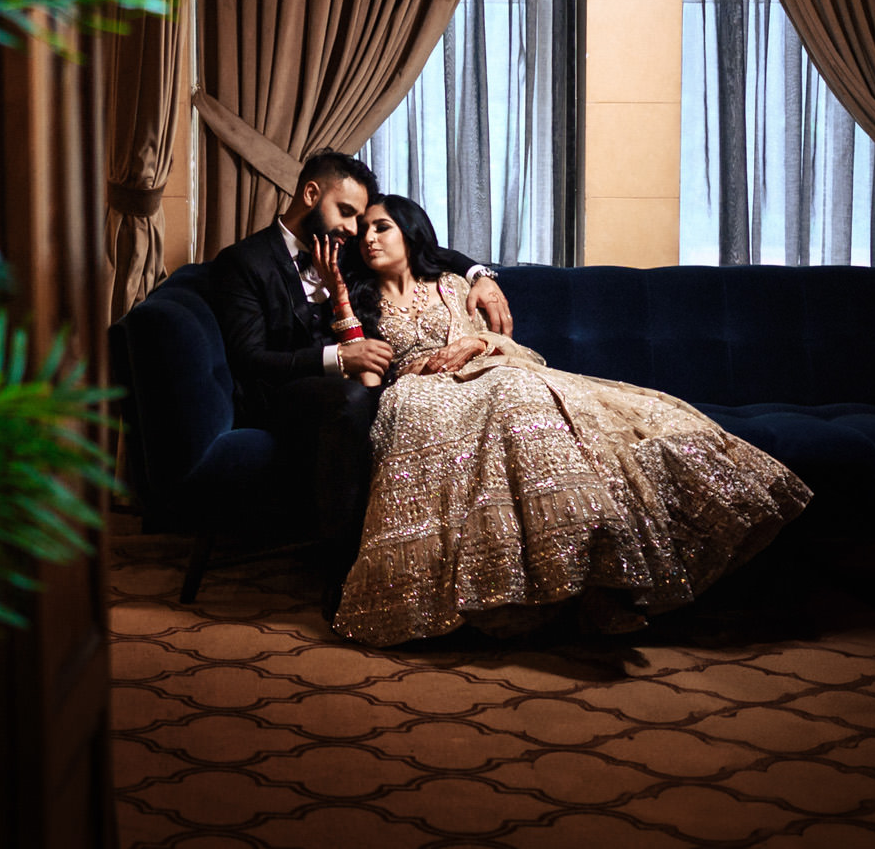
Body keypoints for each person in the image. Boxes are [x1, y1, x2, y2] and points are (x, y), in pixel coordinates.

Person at [327, 195, 811, 647]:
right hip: (418, 395)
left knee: (528, 392)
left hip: (487, 373)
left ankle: (591, 558)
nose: (369, 237)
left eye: (382, 227)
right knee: (491, 400)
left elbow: (507, 344)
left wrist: (474, 344)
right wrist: (347, 306)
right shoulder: (360, 300)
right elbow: (367, 373)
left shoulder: (455, 286)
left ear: (411, 234)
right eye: (364, 230)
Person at [205, 151, 509, 568]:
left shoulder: (346, 248)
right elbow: (249, 357)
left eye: (361, 219)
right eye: (346, 212)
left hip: (363, 384)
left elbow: (425, 247)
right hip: (281, 395)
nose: (355, 229)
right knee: (353, 400)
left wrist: (479, 276)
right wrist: (338, 356)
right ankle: (343, 565)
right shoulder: (245, 262)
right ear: (311, 193)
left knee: (388, 399)